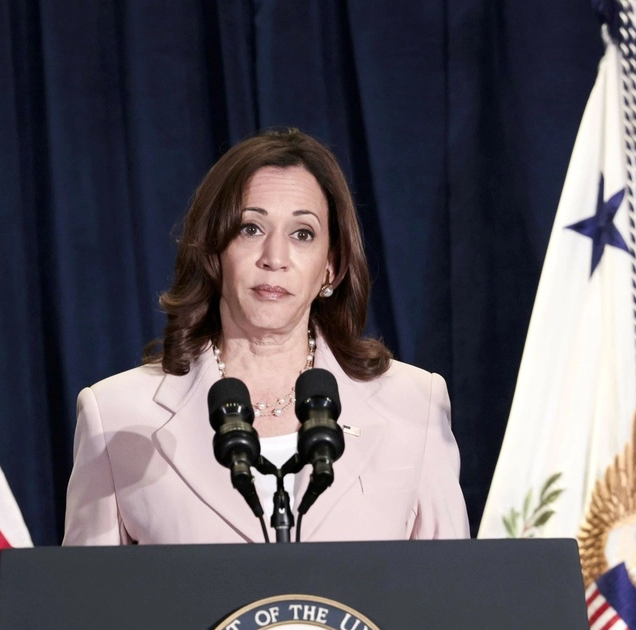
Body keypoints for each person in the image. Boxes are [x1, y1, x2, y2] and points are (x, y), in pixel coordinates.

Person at [63, 128, 469, 545]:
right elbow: (86, 587)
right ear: (213, 251)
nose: (275, 258)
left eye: (302, 233)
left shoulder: (414, 405)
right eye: (251, 229)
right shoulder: (116, 417)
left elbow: (452, 583)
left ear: (331, 266)